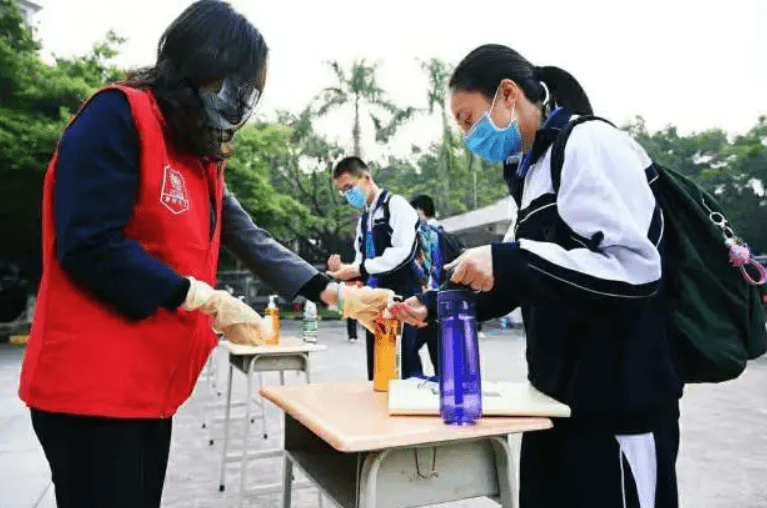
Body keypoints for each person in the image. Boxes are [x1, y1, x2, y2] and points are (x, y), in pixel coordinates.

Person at [17, 3, 344, 507]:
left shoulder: (198, 158)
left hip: (149, 391)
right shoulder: (118, 115)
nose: (238, 102)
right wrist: (198, 296)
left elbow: (247, 236)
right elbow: (88, 242)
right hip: (92, 389)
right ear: (199, 64)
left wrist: (335, 292)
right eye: (232, 84)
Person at [391, 44, 683, 508]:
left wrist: (510, 260)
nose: (467, 134)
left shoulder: (590, 143)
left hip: (618, 408)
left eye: (468, 119)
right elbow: (520, 274)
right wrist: (432, 302)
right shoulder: (531, 173)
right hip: (554, 402)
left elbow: (637, 272)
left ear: (507, 94)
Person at [328, 156, 431, 380]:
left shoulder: (397, 206)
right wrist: (343, 269)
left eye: (349, 187)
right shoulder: (365, 217)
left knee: (403, 366)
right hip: (374, 302)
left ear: (366, 177)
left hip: (403, 298)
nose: (347, 195)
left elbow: (402, 252)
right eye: (342, 192)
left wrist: (359, 269)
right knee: (377, 369)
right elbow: (360, 259)